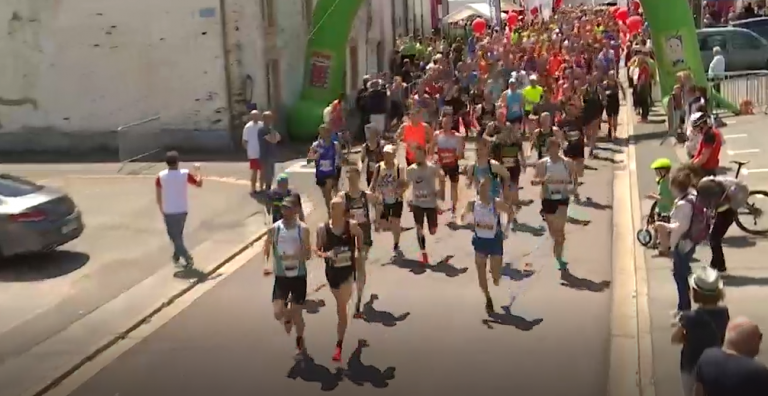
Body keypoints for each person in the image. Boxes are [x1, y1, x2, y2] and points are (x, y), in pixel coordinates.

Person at [315, 197, 364, 362]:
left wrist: (359, 251)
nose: (333, 210)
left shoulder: (351, 226)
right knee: (342, 306)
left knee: (342, 306)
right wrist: (325, 254)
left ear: (343, 210)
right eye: (331, 207)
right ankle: (343, 343)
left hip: (348, 272)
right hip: (332, 273)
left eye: (337, 207)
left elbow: (360, 236)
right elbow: (317, 248)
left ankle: (339, 345)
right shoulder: (322, 228)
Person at [262, 195, 311, 357]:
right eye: (284, 208)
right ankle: (287, 318)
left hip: (298, 276)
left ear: (296, 210)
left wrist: (297, 256)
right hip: (281, 277)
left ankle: (299, 339)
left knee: (297, 313)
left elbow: (308, 253)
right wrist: (266, 264)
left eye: (289, 208)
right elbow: (267, 246)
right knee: (277, 313)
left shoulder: (302, 229)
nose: (286, 211)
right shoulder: (274, 229)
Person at [670, 267, 729, 396]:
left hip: (691, 365)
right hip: (716, 364)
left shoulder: (689, 317)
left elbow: (674, 339)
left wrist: (685, 337)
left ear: (695, 293)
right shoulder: (724, 313)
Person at [460, 176, 513, 314]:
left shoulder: (496, 203)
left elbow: (510, 212)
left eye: (486, 187)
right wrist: (464, 218)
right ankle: (488, 298)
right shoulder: (472, 204)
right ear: (478, 188)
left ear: (490, 189)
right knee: (480, 272)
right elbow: (462, 216)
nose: (484, 189)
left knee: (496, 274)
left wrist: (507, 228)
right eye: (481, 186)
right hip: (480, 242)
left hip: (495, 241)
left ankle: (495, 276)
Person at [654, 169, 701, 314]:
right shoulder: (692, 195)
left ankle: (684, 309)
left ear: (676, 187)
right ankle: (684, 306)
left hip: (683, 244)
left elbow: (680, 227)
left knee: (679, 276)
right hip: (691, 242)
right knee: (681, 273)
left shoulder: (683, 204)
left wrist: (664, 226)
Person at [337, 166, 379, 319]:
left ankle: (359, 302)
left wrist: (378, 219)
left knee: (360, 262)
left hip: (364, 232)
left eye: (353, 177)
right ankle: (360, 296)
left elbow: (377, 202)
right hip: (349, 233)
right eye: (348, 177)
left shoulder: (365, 195)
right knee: (352, 264)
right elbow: (335, 213)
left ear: (358, 177)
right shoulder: (343, 196)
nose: (350, 180)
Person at [532, 138, 576, 270]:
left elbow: (574, 178)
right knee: (553, 231)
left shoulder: (567, 163)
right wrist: (542, 180)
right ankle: (557, 245)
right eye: (550, 148)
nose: (553, 150)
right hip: (548, 199)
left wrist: (573, 188)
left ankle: (559, 257)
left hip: (562, 198)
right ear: (547, 149)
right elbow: (533, 181)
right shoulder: (542, 164)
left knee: (560, 230)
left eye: (555, 147)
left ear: (559, 148)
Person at [694, 316, 768, 395]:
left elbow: (698, 391)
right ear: (749, 339)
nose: (760, 341)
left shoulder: (706, 357)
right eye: (759, 336)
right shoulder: (757, 372)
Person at [155, 151, 203, 269]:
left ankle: (187, 257)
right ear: (177, 162)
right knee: (178, 235)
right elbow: (199, 184)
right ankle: (176, 255)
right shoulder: (184, 174)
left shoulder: (160, 176)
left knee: (174, 236)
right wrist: (198, 171)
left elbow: (158, 195)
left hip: (169, 210)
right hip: (182, 209)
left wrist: (161, 208)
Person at [695, 174, 750, 274]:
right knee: (714, 239)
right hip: (726, 209)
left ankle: (720, 266)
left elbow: (719, 207)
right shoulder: (711, 185)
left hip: (727, 213)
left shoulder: (726, 199)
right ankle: (715, 264)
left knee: (714, 239)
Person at [404, 145, 445, 264]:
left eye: (420, 154)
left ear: (425, 155)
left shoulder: (432, 168)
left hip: (431, 203)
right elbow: (407, 185)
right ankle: (423, 253)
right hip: (417, 204)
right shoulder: (411, 169)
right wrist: (407, 198)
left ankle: (435, 218)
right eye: (415, 155)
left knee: (433, 230)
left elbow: (442, 177)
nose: (417, 157)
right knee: (419, 228)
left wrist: (440, 192)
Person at [369, 144, 407, 256]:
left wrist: (399, 191)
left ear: (394, 155)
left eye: (389, 154)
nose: (387, 156)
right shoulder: (379, 167)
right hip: (382, 199)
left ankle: (396, 243)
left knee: (395, 222)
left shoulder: (399, 168)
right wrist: (371, 192)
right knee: (382, 223)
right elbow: (373, 181)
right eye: (385, 154)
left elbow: (404, 183)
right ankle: (390, 226)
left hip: (396, 199)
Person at [490, 118, 527, 212]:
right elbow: (493, 155)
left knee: (514, 186)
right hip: (503, 168)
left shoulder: (516, 141)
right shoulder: (498, 143)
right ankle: (508, 206)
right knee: (506, 188)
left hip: (514, 167)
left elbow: (521, 152)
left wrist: (523, 162)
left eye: (509, 130)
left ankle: (513, 205)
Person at [433, 114, 465, 219]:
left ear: (452, 124)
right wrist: (433, 158)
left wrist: (456, 153)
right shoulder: (437, 135)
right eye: (444, 123)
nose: (446, 125)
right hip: (441, 164)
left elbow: (460, 155)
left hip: (453, 165)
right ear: (441, 123)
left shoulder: (458, 137)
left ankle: (453, 208)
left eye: (448, 123)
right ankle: (441, 205)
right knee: (441, 182)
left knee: (454, 188)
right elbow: (431, 149)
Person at [308, 124, 343, 215]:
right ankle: (331, 210)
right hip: (320, 174)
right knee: (326, 196)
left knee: (328, 191)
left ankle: (332, 213)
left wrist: (338, 165)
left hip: (331, 173)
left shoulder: (335, 145)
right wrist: (315, 157)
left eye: (327, 131)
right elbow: (309, 160)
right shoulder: (315, 145)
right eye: (323, 132)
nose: (325, 134)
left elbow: (340, 157)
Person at [646, 158, 675, 255]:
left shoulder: (665, 183)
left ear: (663, 170)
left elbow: (665, 199)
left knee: (662, 229)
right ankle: (654, 243)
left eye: (657, 171)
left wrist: (653, 196)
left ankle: (664, 248)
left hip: (665, 209)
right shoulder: (665, 181)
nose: (656, 173)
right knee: (656, 227)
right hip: (661, 208)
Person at [691, 112, 723, 178]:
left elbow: (703, 158)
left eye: (696, 127)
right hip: (708, 169)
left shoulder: (709, 136)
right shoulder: (711, 132)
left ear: (702, 124)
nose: (696, 130)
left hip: (706, 171)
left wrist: (691, 167)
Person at [257, 111, 281, 190]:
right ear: (264, 119)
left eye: (271, 118)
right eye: (269, 118)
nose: (270, 120)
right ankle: (266, 189)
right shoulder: (262, 130)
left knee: (271, 174)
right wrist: (274, 136)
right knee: (267, 173)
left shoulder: (271, 129)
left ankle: (268, 188)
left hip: (272, 154)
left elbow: (278, 138)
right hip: (265, 155)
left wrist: (274, 135)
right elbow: (273, 140)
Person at [242, 110, 263, 194]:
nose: (256, 117)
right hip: (253, 152)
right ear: (251, 117)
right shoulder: (248, 127)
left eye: (257, 115)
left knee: (263, 170)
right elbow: (244, 141)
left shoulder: (262, 125)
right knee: (254, 171)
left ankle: (262, 187)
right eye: (254, 116)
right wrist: (249, 150)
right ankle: (253, 188)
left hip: (262, 152)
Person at [603, 71, 624, 139]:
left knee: (615, 117)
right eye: (611, 75)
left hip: (615, 101)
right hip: (609, 101)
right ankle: (610, 130)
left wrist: (624, 96)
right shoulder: (606, 83)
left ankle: (614, 133)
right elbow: (602, 92)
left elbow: (622, 89)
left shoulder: (617, 82)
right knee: (609, 118)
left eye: (613, 75)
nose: (612, 77)